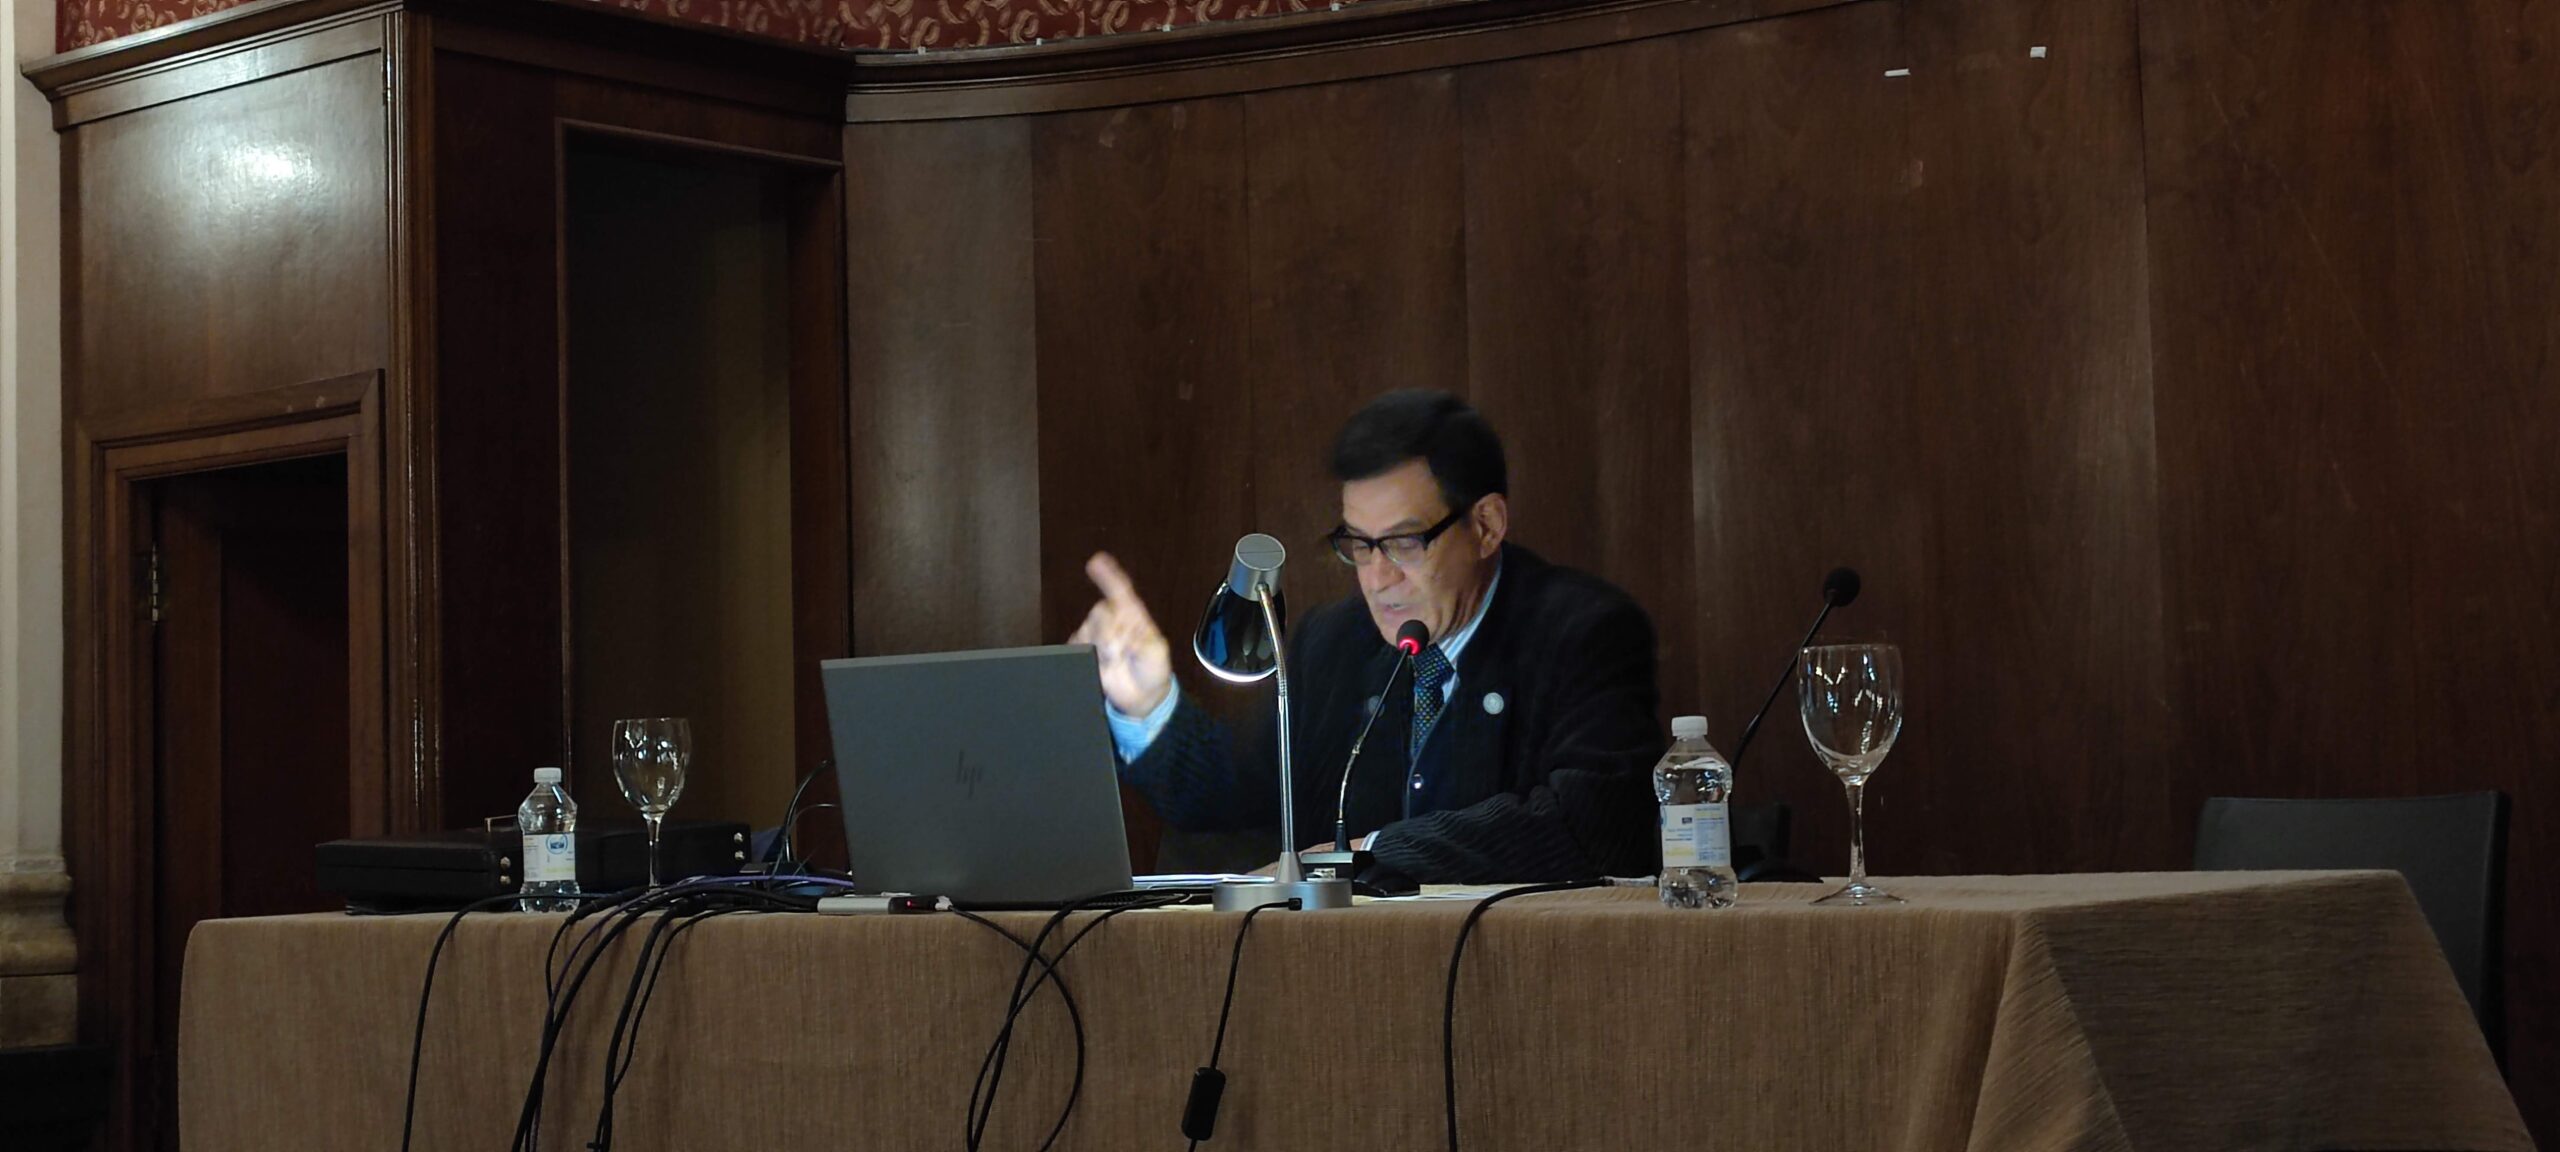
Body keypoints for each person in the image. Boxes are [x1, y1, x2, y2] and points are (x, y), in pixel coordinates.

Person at [1070, 390, 1663, 884]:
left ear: (1486, 526)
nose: (1378, 578)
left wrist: (1371, 852)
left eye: (1404, 543)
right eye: (1359, 544)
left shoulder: (1582, 631)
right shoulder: (1334, 643)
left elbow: (1598, 825)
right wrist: (1147, 706)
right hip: (1352, 970)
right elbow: (1236, 796)